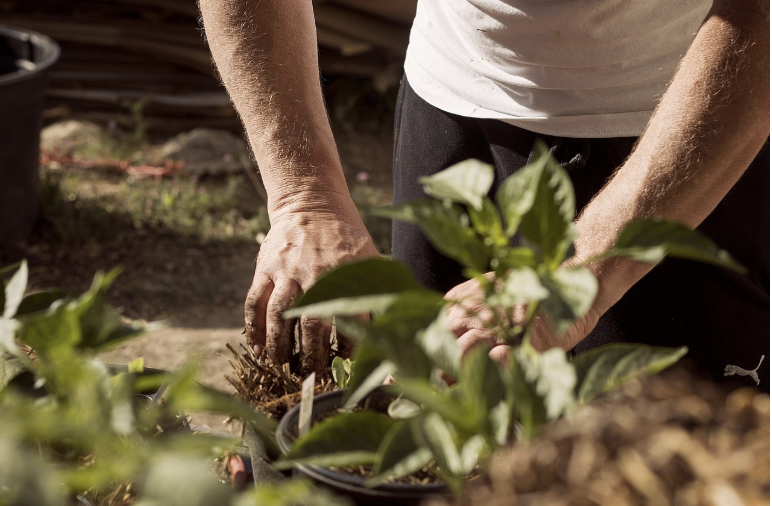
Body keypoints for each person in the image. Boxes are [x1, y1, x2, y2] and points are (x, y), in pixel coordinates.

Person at [198, 0, 769, 390]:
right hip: (451, 109)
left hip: (689, 135)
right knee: (433, 436)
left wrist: (578, 273)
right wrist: (305, 196)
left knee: (648, 470)